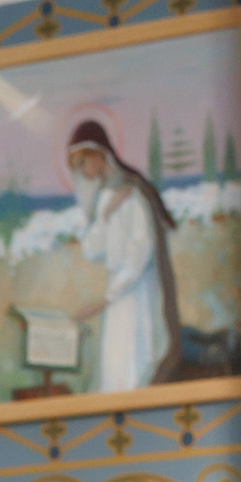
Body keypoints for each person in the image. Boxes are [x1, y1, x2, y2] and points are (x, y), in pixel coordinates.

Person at [65, 117, 181, 394]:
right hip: (117, 296)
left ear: (98, 155)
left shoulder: (133, 195)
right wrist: (104, 217)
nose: (82, 172)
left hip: (136, 294)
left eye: (83, 163)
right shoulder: (106, 198)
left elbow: (139, 255)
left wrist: (105, 299)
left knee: (132, 367)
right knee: (113, 372)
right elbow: (92, 251)